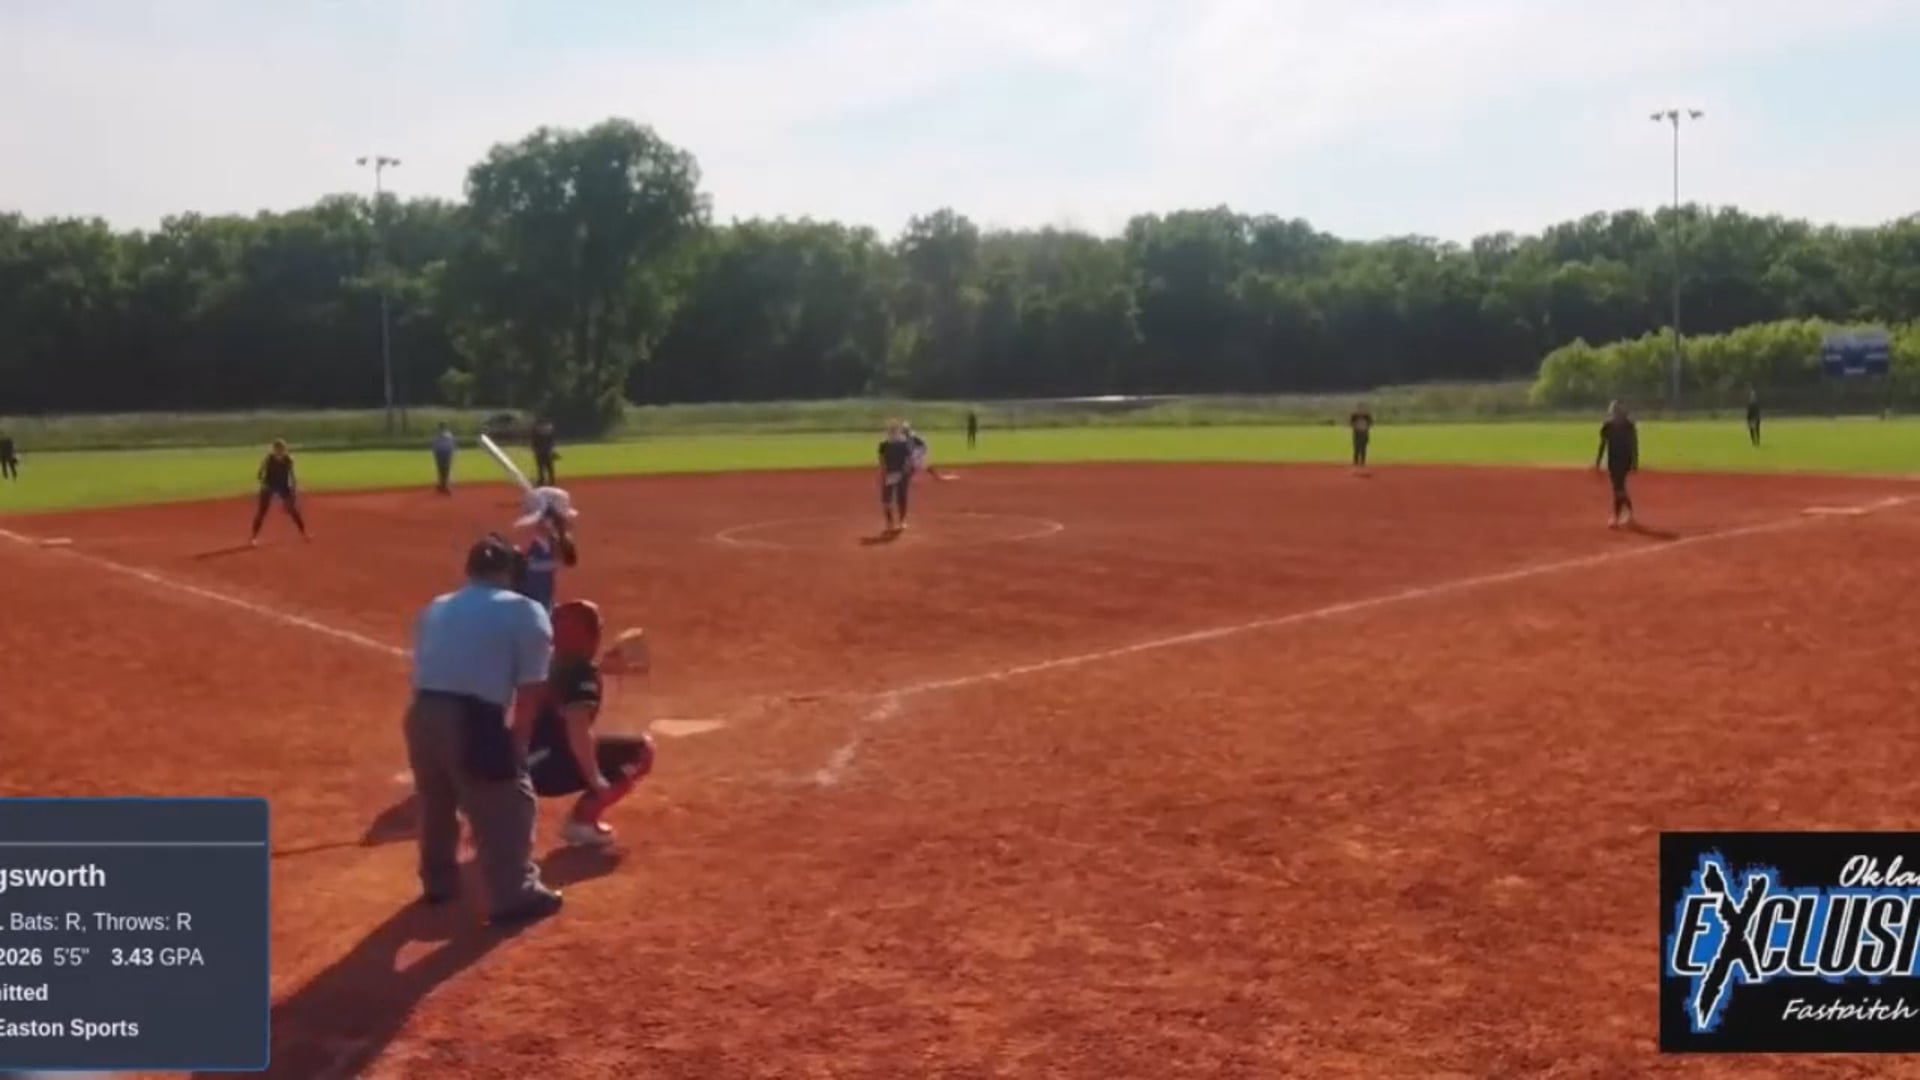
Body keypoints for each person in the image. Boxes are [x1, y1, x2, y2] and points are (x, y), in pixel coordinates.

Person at [404, 533, 563, 925]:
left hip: (421, 712)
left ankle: (438, 882)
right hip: (472, 718)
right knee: (511, 802)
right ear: (509, 571)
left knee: (436, 800)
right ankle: (514, 895)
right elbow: (530, 691)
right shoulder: (526, 611)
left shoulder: (436, 606)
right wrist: (518, 746)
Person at [527, 600, 655, 847]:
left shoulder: (545, 661)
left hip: (513, 766)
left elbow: (566, 680)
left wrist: (599, 668)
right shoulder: (579, 673)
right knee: (642, 750)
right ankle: (582, 821)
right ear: (589, 634)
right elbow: (578, 730)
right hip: (541, 771)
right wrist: (596, 779)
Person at [512, 488, 579, 612]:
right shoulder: (526, 541)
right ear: (547, 519)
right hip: (524, 609)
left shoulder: (553, 542)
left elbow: (570, 559)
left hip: (543, 604)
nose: (566, 521)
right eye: (562, 518)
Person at [250, 439, 310, 546]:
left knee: (293, 510)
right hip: (269, 485)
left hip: (283, 486)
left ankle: (304, 533)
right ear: (274, 450)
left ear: (284, 450)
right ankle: (254, 537)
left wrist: (294, 489)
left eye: (281, 450)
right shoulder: (268, 459)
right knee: (262, 511)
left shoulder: (289, 460)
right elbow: (259, 474)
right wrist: (263, 484)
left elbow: (292, 475)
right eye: (277, 450)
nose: (279, 452)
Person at [1594, 400, 1639, 528]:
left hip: (1624, 460)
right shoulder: (1608, 426)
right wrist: (1598, 461)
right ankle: (1624, 515)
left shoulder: (1628, 425)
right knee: (1618, 488)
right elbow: (1603, 444)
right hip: (1613, 460)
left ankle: (1619, 516)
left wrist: (1635, 462)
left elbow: (1633, 444)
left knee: (1618, 488)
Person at [878, 421, 914, 534]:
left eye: (894, 429)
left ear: (898, 431)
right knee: (887, 499)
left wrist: (905, 471)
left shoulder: (904, 443)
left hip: (900, 474)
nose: (892, 432)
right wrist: (884, 472)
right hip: (890, 474)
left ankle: (901, 521)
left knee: (901, 498)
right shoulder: (884, 444)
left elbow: (908, 459)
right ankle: (890, 522)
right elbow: (882, 460)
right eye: (891, 430)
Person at [531, 420, 558, 487]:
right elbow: (552, 441)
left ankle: (542, 480)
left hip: (540, 451)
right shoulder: (549, 429)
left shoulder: (536, 429)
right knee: (549, 466)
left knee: (541, 467)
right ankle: (551, 480)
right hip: (547, 450)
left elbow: (534, 441)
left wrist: (534, 449)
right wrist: (552, 450)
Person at [432, 424, 457, 494]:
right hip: (445, 452)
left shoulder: (439, 434)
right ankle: (443, 484)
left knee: (443, 469)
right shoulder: (448, 434)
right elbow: (452, 444)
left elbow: (435, 445)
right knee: (444, 469)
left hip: (441, 452)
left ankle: (445, 485)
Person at [1349, 404, 1374, 470]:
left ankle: (1363, 463)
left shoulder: (1367, 416)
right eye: (1360, 408)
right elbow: (1351, 423)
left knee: (1363, 449)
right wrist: (1355, 427)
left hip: (1364, 434)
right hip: (1357, 434)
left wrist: (1366, 427)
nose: (1361, 410)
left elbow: (1371, 423)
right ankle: (1355, 463)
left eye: (1362, 408)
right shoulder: (1354, 416)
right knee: (1356, 449)